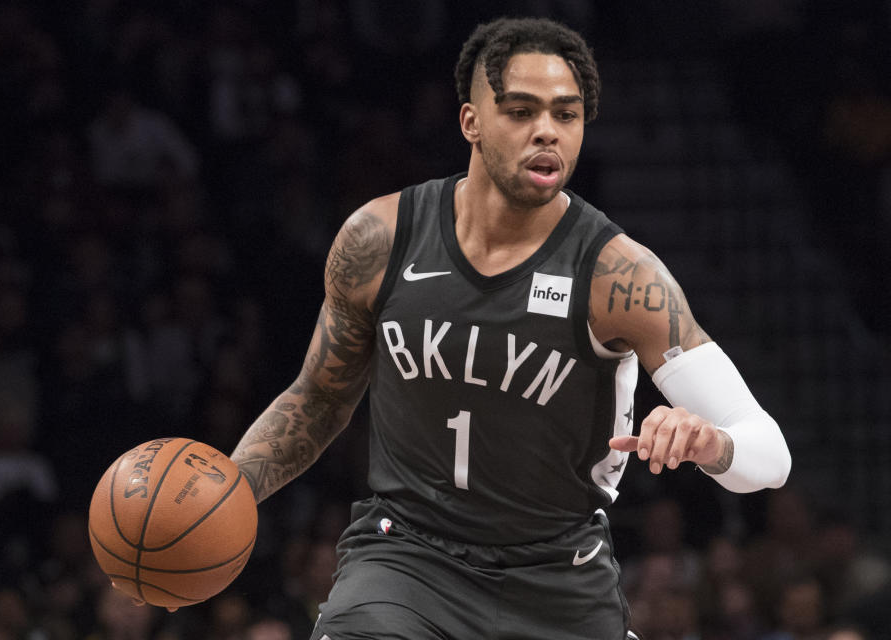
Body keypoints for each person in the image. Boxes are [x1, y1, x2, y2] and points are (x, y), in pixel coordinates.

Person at [226, 17, 792, 639]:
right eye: (521, 111)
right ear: (471, 121)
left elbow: (769, 453)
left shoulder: (618, 276)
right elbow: (320, 395)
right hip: (405, 560)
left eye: (566, 115)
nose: (546, 131)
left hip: (558, 579)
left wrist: (711, 443)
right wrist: (230, 489)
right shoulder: (381, 238)